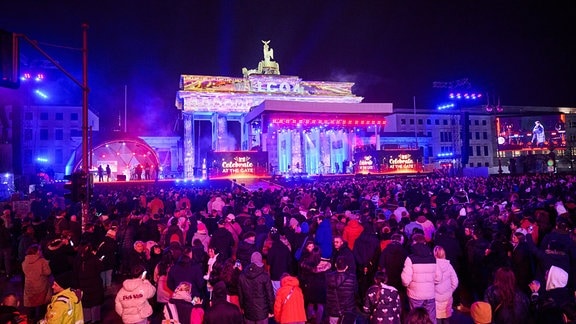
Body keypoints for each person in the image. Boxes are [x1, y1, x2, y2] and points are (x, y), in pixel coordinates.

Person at [401, 234, 439, 323]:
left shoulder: (410, 259)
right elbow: (438, 278)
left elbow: (405, 280)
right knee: (431, 318)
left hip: (415, 294)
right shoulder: (433, 258)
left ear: (414, 243)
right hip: (430, 294)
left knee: (416, 319)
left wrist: (408, 285)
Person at [238, 252, 275, 324]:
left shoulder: (242, 276)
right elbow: (270, 295)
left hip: (248, 312)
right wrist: (271, 310)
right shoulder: (265, 276)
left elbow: (241, 294)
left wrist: (242, 307)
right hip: (262, 313)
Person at [73, 242, 104, 323]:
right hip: (94, 284)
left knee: (85, 303)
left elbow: (75, 272)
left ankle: (87, 319)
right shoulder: (93, 258)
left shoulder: (77, 259)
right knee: (95, 303)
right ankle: (95, 320)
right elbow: (99, 269)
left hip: (83, 285)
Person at [21, 244, 52, 322]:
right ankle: (41, 320)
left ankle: (31, 319)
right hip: (40, 285)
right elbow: (48, 272)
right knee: (42, 303)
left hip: (29, 286)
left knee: (31, 304)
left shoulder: (25, 262)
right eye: (40, 250)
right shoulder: (41, 261)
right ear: (37, 252)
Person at [326, 257, 357, 324]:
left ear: (335, 265)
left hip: (333, 311)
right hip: (348, 311)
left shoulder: (328, 277)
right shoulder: (352, 278)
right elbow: (355, 293)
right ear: (346, 267)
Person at [433, 246, 458, 324]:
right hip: (447, 297)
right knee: (446, 318)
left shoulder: (433, 266)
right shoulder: (449, 266)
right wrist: (450, 291)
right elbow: (455, 281)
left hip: (435, 297)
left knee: (437, 319)